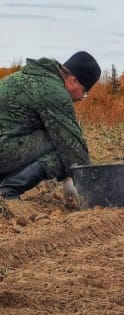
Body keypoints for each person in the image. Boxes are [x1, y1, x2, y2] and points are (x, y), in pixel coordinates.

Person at [0, 51, 101, 206]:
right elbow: (72, 143)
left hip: (6, 145)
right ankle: (8, 191)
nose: (81, 98)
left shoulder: (32, 77)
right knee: (60, 143)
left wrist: (68, 177)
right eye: (84, 92)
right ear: (73, 81)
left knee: (55, 138)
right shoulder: (54, 91)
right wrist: (86, 187)